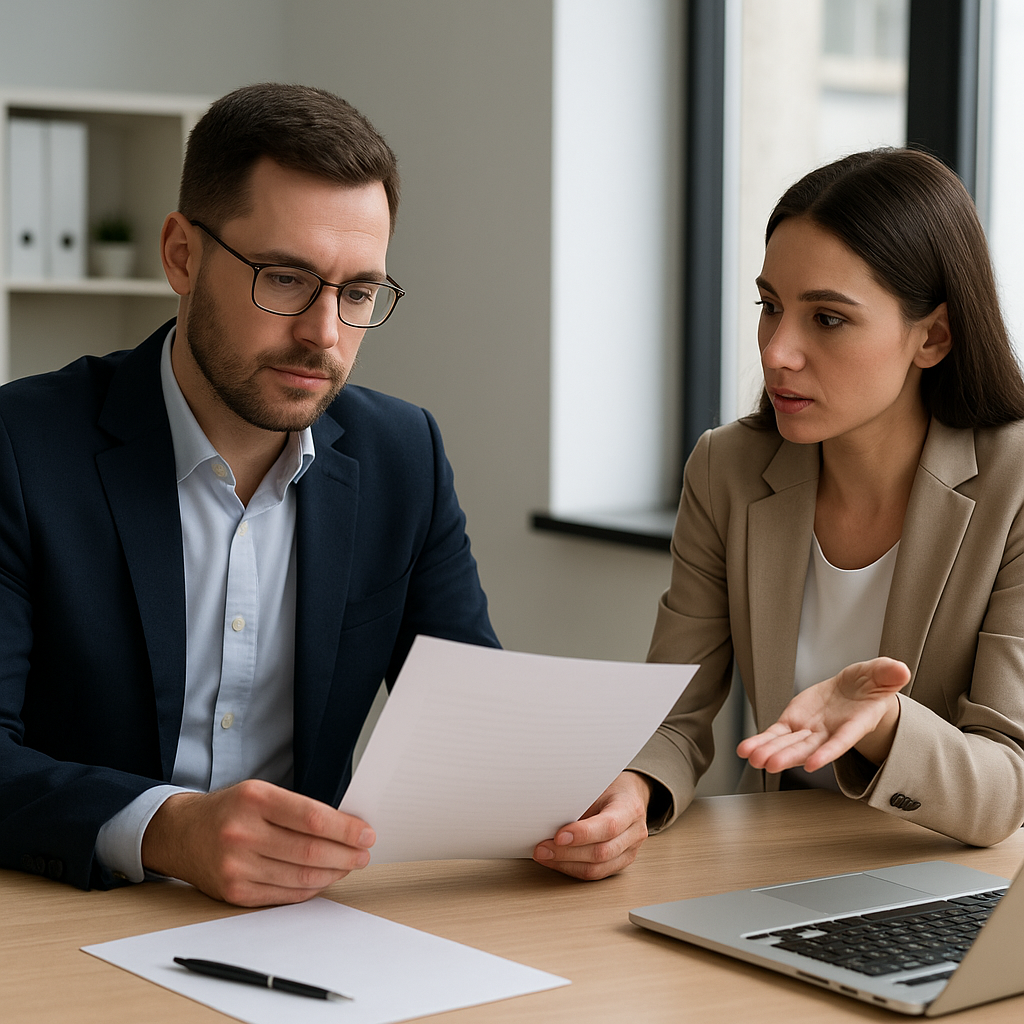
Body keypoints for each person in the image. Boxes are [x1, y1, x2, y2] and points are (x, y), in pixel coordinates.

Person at [0, 83, 498, 906]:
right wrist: (166, 829)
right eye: (286, 278)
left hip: (307, 927)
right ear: (181, 255)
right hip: (70, 913)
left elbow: (475, 721)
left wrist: (594, 800)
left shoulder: (404, 454)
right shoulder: (22, 446)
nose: (325, 335)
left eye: (359, 292)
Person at [533, 147, 1024, 880]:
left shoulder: (1014, 484)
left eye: (827, 318)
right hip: (777, 867)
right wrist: (632, 793)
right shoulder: (726, 468)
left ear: (934, 337)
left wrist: (884, 724)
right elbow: (673, 712)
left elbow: (1006, 785)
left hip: (946, 881)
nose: (777, 351)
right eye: (770, 307)